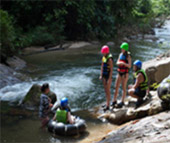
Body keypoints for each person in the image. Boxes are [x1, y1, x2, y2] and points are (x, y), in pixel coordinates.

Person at [112, 42, 131, 108]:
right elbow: (117, 62)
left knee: (123, 87)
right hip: (119, 72)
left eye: (122, 48)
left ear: (125, 49)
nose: (121, 49)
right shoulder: (120, 54)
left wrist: (124, 64)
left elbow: (129, 66)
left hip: (125, 73)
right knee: (116, 86)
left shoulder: (128, 56)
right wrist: (120, 63)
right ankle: (114, 100)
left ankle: (122, 101)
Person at [99, 45, 113, 111]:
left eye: (103, 52)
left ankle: (108, 105)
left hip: (108, 76)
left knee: (108, 90)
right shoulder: (103, 58)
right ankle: (107, 102)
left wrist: (109, 78)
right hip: (104, 76)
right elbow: (102, 66)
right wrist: (101, 75)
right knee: (105, 90)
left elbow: (111, 69)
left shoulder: (109, 59)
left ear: (106, 52)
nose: (102, 53)